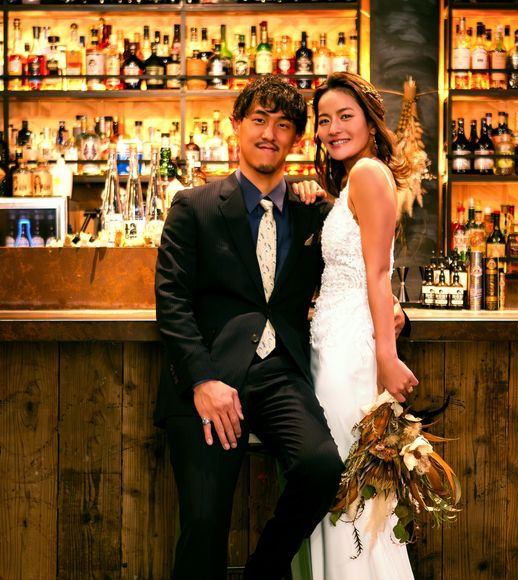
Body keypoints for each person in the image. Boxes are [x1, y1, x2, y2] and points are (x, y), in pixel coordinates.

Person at [154, 75, 348, 580]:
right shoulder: (193, 206)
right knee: (203, 523)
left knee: (323, 470)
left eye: (283, 125)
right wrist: (201, 380)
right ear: (236, 126)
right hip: (208, 376)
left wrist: (395, 310)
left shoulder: (315, 212)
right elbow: (171, 300)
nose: (269, 133)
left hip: (280, 375)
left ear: (296, 140)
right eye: (259, 120)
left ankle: (264, 571)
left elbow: (355, 270)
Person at [308, 71, 419, 579]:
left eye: (345, 116)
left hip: (349, 352)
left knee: (352, 495)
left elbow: (377, 274)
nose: (333, 128)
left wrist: (386, 357)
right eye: (324, 120)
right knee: (344, 492)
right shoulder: (354, 180)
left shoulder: (369, 174)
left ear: (371, 123)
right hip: (334, 342)